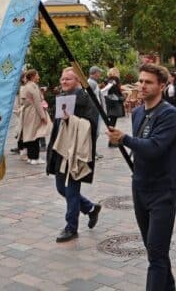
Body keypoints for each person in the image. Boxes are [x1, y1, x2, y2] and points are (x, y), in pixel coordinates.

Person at [106, 64, 176, 291]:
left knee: (156, 256)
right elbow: (140, 148)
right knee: (155, 251)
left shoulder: (170, 115)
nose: (142, 85)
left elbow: (154, 148)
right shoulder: (138, 112)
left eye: (148, 82)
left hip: (163, 192)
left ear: (162, 85)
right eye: (140, 81)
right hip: (140, 187)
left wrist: (125, 139)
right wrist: (126, 142)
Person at [47, 68, 102, 242]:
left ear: (78, 80)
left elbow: (91, 124)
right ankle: (90, 208)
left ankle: (71, 227)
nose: (64, 82)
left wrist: (71, 120)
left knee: (72, 190)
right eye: (62, 79)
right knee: (60, 188)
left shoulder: (87, 99)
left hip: (76, 151)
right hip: (60, 148)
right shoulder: (62, 96)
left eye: (68, 79)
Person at [20, 70, 50, 165]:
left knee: (30, 134)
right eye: (37, 75)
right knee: (35, 135)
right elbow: (37, 102)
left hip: (28, 112)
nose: (38, 77)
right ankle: (35, 158)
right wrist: (43, 116)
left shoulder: (26, 86)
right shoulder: (33, 87)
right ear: (33, 76)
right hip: (34, 112)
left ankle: (30, 157)